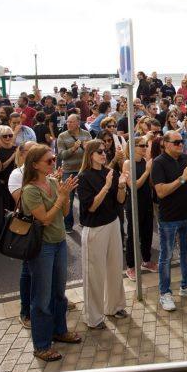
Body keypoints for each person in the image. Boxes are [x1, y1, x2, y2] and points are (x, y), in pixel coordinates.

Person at [21, 145, 81, 361]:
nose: (53, 162)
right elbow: (44, 219)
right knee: (42, 298)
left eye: (54, 158)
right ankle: (42, 345)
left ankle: (60, 330)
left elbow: (64, 213)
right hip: (42, 247)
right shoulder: (30, 190)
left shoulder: (53, 182)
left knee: (59, 292)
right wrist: (61, 197)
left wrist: (65, 196)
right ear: (35, 164)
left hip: (59, 242)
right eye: (49, 160)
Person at [76, 140, 129, 329]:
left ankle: (114, 306)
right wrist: (106, 186)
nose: (104, 154)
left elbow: (120, 201)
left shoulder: (110, 172)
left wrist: (121, 186)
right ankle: (93, 317)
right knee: (94, 274)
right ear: (90, 154)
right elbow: (91, 206)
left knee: (115, 268)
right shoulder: (84, 177)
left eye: (105, 151)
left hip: (113, 222)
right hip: (95, 228)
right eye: (99, 151)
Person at [151, 130, 187, 312]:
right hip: (169, 218)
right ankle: (164, 293)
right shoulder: (158, 163)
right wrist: (183, 178)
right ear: (165, 144)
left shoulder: (185, 159)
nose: (180, 144)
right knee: (166, 257)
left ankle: (186, 286)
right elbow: (161, 192)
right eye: (176, 142)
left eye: (181, 141)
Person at [8, 141, 37, 328]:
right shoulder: (17, 175)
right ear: (24, 154)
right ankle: (25, 311)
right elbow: (24, 203)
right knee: (28, 270)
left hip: (49, 227)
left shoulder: (47, 171)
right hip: (29, 228)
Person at [122, 137, 156, 281]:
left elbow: (150, 183)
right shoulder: (128, 163)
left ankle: (146, 261)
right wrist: (147, 171)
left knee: (147, 233)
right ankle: (130, 267)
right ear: (133, 147)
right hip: (134, 203)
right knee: (133, 235)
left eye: (145, 145)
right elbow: (133, 186)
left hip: (147, 202)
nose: (144, 147)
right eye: (142, 145)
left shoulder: (144, 161)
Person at [56, 114, 93, 233]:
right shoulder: (62, 136)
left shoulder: (86, 134)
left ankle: (84, 221)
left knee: (85, 197)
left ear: (78, 123)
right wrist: (73, 149)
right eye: (67, 122)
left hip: (84, 170)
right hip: (68, 171)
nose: (68, 124)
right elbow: (61, 155)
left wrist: (87, 148)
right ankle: (68, 226)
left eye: (71, 122)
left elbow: (92, 151)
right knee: (69, 199)